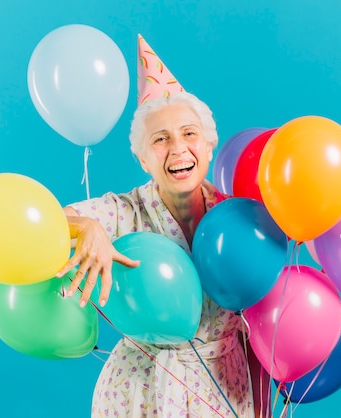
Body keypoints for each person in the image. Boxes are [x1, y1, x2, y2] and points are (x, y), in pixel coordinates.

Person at [56, 35, 269, 417]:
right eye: (160, 139)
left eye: (189, 134)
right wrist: (86, 227)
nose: (178, 149)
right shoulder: (126, 211)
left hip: (225, 386)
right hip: (141, 393)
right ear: (142, 159)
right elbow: (53, 219)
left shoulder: (238, 216)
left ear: (209, 145)